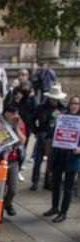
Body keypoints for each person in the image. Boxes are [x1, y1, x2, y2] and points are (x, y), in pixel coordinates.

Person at [43, 95, 80, 223]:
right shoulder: (62, 117)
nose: (74, 106)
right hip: (59, 155)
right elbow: (52, 134)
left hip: (73, 158)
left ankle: (63, 212)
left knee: (68, 187)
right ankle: (54, 207)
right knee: (56, 184)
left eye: (77, 103)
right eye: (72, 103)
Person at [31, 83, 67, 191]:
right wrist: (36, 132)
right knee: (38, 160)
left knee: (51, 161)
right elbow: (32, 121)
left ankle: (48, 181)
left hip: (56, 137)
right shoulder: (41, 107)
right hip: (43, 135)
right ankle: (35, 181)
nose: (55, 100)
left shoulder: (63, 108)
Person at [1, 104, 27, 217]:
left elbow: (22, 141)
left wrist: (16, 127)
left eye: (16, 113)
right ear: (5, 113)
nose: (14, 115)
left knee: (13, 189)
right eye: (11, 113)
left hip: (13, 160)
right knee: (0, 189)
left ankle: (8, 204)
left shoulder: (20, 124)